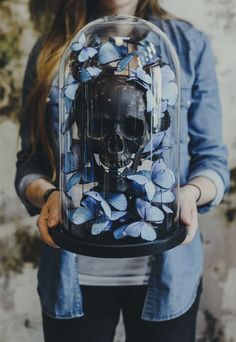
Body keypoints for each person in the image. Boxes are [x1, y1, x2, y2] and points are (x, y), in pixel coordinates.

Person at [15, 1, 229, 341]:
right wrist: (48, 196)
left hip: (168, 274)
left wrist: (190, 195)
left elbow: (213, 159)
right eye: (97, 126)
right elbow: (30, 163)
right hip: (73, 274)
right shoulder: (52, 50)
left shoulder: (188, 44)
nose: (115, 142)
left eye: (133, 127)